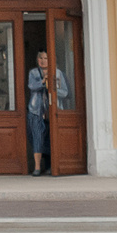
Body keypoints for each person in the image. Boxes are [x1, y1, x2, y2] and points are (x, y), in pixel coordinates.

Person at [25, 48, 67, 176]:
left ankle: (51, 167)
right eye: (41, 58)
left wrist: (52, 89)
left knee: (51, 139)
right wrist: (43, 82)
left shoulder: (58, 73)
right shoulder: (33, 73)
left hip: (53, 111)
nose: (43, 61)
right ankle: (37, 167)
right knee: (37, 138)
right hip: (36, 110)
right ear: (37, 60)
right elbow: (31, 86)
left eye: (46, 58)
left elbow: (65, 92)